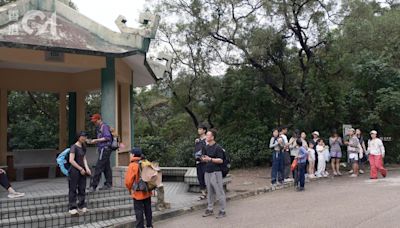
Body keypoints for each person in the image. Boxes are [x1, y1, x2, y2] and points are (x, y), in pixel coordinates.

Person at [201, 129, 227, 219]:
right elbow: (203, 157)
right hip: (207, 171)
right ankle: (210, 208)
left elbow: (221, 160)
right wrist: (203, 159)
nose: (206, 137)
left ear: (212, 137)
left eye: (208, 135)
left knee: (219, 191)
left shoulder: (218, 148)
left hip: (216, 172)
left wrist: (210, 159)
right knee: (210, 192)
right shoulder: (205, 147)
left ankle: (222, 210)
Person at [125, 148, 153, 228]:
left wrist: (129, 188)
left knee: (139, 211)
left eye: (130, 153)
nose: (130, 155)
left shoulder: (132, 165)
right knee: (148, 209)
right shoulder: (146, 162)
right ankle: (149, 225)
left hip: (138, 193)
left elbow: (128, 181)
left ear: (133, 155)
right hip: (147, 191)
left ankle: (140, 226)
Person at [87, 114, 113, 192]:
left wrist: (96, 140)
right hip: (104, 149)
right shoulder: (99, 127)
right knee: (106, 167)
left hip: (104, 149)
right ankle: (108, 184)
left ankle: (93, 186)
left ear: (99, 119)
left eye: (95, 121)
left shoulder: (104, 126)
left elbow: (107, 137)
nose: (94, 123)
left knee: (99, 167)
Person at [68, 131, 91, 215]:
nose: (84, 138)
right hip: (74, 171)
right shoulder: (73, 147)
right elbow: (71, 160)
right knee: (73, 188)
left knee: (82, 188)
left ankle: (81, 205)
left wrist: (87, 168)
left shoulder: (83, 147)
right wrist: (80, 168)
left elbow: (84, 159)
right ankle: (72, 207)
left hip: (82, 171)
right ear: (78, 137)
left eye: (85, 136)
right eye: (82, 136)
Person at [194, 124, 207, 200]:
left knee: (206, 177)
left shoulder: (207, 139)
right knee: (200, 177)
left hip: (205, 161)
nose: (199, 130)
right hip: (198, 162)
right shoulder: (197, 140)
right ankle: (203, 194)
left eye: (200, 129)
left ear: (204, 130)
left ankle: (209, 193)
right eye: (198, 129)